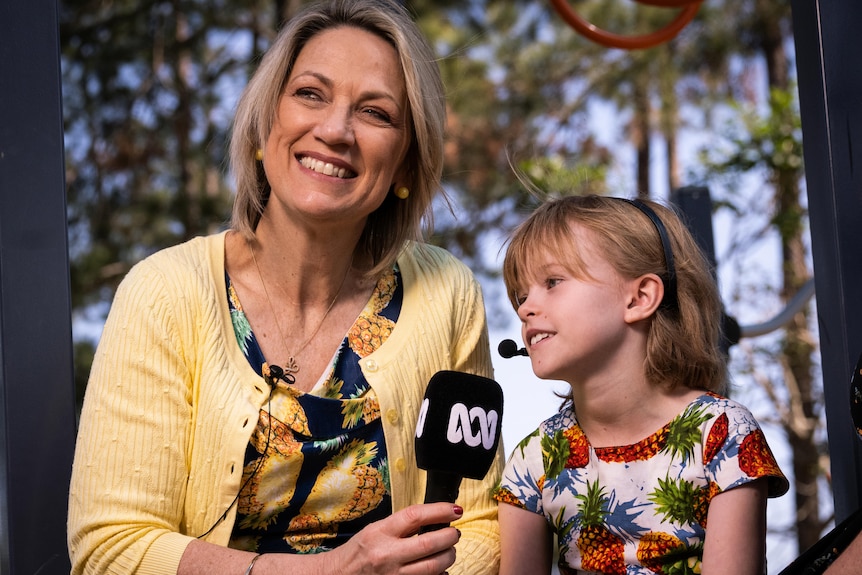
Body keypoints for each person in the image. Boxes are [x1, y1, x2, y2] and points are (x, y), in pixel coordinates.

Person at [67, 1, 503, 574]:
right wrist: (333, 572)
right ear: (262, 125)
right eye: (310, 94)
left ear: (403, 165)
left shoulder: (447, 292)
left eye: (375, 112)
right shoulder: (165, 292)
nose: (334, 130)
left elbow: (483, 530)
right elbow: (112, 548)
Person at [492, 194, 789, 575]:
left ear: (640, 297)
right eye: (521, 295)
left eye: (552, 281)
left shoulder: (723, 433)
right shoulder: (534, 459)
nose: (524, 308)